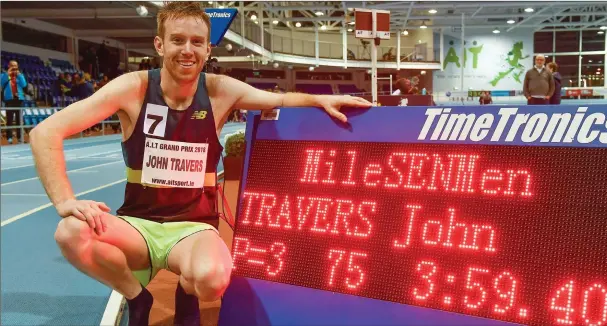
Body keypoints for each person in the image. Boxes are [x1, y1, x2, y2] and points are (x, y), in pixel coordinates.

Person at [29, 2, 372, 326]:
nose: (187, 50)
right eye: (177, 40)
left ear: (209, 50)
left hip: (193, 229)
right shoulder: (131, 89)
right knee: (70, 231)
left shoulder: (221, 90)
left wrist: (322, 97)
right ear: (160, 44)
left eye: (197, 42)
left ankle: (187, 290)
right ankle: (137, 297)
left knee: (213, 278)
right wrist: (65, 202)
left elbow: (281, 98)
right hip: (136, 227)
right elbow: (45, 132)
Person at [1, 60, 28, 143]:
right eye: (12, 65)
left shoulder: (20, 75)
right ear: (9, 66)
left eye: (16, 66)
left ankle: (20, 138)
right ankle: (9, 138)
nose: (14, 67)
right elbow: (1, 83)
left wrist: (19, 75)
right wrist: (7, 74)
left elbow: (24, 85)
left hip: (19, 100)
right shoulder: (3, 75)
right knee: (9, 119)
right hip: (9, 100)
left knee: (19, 119)